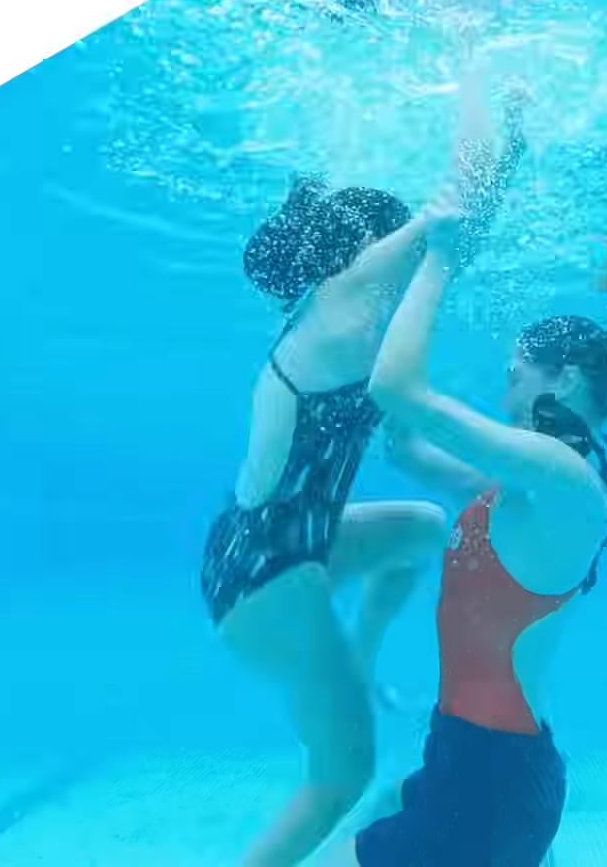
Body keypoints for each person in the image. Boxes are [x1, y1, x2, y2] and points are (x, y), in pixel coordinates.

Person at [201, 77, 530, 867]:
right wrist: (483, 84)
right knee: (341, 776)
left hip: (280, 545)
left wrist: (505, 490)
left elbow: (409, 456)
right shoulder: (341, 305)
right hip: (266, 575)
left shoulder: (352, 334)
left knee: (420, 528)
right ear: (367, 254)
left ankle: (363, 657)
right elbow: (456, 210)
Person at [329, 216, 607, 867]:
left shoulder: (563, 480)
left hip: (488, 789)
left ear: (566, 379)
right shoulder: (536, 482)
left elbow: (399, 392)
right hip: (472, 763)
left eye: (516, 375)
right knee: (380, 803)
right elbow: (412, 451)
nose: (506, 391)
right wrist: (377, 318)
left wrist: (439, 258)